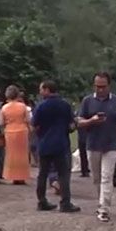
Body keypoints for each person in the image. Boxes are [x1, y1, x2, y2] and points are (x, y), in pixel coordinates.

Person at [78, 72, 116, 223]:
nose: (100, 89)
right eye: (97, 86)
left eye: (103, 86)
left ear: (109, 86)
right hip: (93, 144)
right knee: (96, 178)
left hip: (111, 144)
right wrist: (91, 121)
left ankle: (104, 208)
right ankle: (101, 202)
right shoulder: (87, 101)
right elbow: (79, 121)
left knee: (107, 177)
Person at [31, 81, 79, 213]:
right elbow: (72, 124)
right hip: (61, 143)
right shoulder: (65, 105)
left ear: (47, 90)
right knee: (63, 174)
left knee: (42, 174)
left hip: (45, 143)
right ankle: (65, 202)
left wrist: (39, 136)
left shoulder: (41, 106)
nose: (40, 92)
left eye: (41, 89)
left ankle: (41, 201)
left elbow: (34, 126)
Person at [0, 86, 31, 186]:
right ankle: (22, 176)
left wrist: (4, 131)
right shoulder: (23, 106)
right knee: (22, 155)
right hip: (22, 130)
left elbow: (1, 123)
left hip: (10, 131)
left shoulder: (4, 108)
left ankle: (13, 176)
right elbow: (27, 120)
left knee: (11, 155)